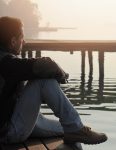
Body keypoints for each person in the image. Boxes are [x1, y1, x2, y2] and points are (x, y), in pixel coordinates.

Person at [0, 16, 107, 145]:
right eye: (22, 38)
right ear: (13, 41)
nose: (25, 42)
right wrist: (62, 75)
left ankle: (76, 129)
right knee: (43, 81)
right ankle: (76, 129)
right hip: (8, 131)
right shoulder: (6, 63)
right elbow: (45, 65)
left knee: (70, 130)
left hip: (16, 120)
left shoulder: (7, 62)